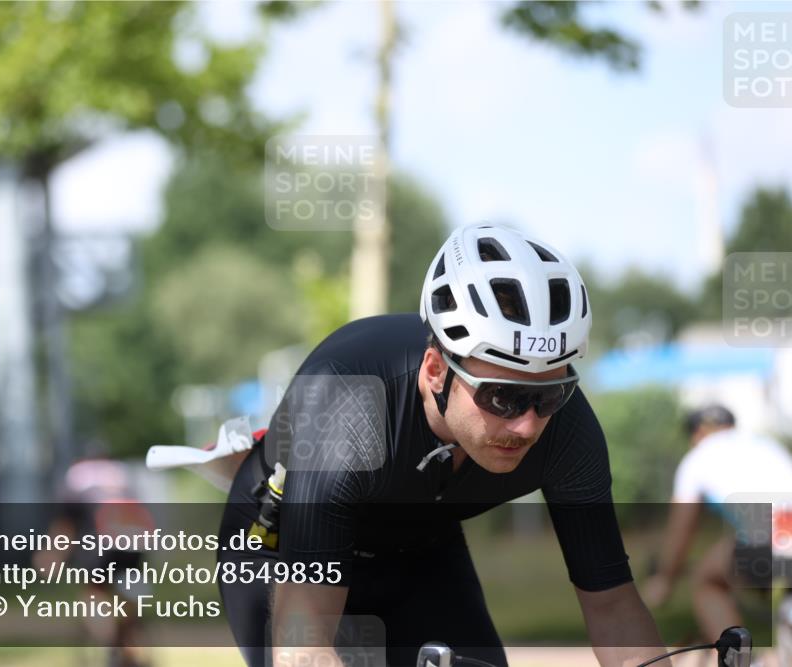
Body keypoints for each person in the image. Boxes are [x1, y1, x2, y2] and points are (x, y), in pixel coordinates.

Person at [216, 225, 667, 667]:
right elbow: (304, 642)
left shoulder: (566, 427)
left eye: (549, 395)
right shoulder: (349, 403)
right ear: (435, 371)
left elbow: (613, 607)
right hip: (281, 544)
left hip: (419, 549)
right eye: (502, 396)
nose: (528, 425)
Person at [642, 404, 792, 645]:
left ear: (698, 432)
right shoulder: (766, 445)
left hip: (774, 535)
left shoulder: (696, 459)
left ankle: (740, 659)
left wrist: (665, 579)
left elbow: (681, 530)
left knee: (707, 581)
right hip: (779, 535)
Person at [40, 457, 155, 667]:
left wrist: (52, 555)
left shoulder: (76, 476)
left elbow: (66, 525)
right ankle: (129, 645)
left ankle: (110, 645)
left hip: (101, 540)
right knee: (128, 596)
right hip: (133, 540)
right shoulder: (121, 472)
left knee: (94, 593)